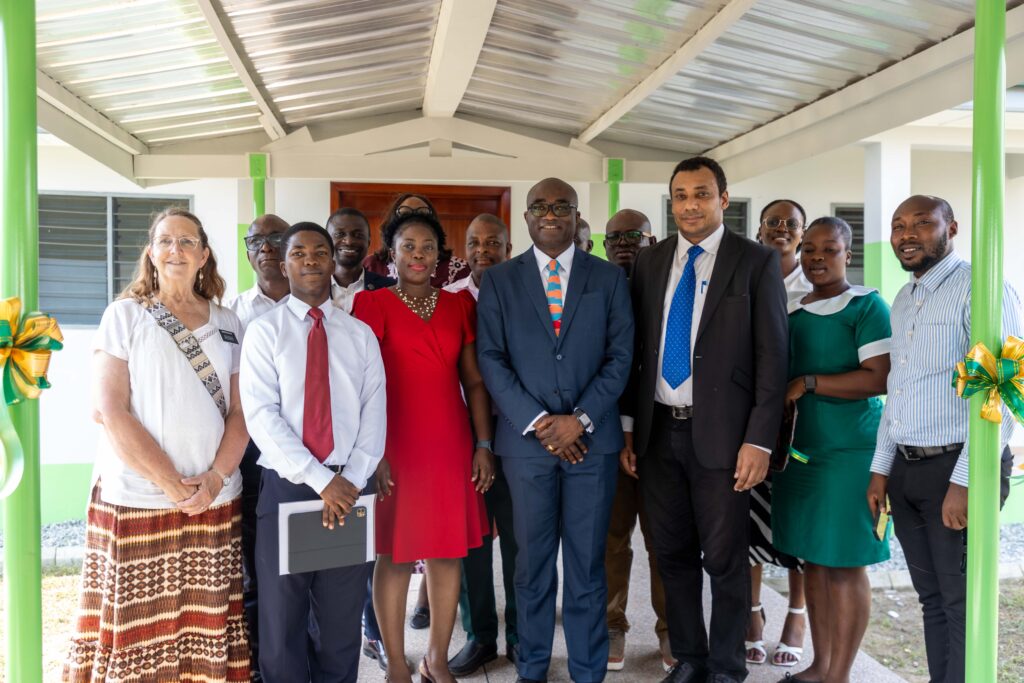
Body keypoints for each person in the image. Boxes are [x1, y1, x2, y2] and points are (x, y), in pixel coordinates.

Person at [620, 156, 788, 683]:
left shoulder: (755, 262)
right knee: (670, 553)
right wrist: (629, 428)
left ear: (723, 199)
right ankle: (690, 659)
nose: (690, 204)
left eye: (701, 193)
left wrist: (759, 441)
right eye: (680, 195)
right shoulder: (651, 262)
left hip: (725, 438)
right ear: (671, 203)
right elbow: (637, 352)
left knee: (724, 558)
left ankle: (726, 666)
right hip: (658, 432)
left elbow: (773, 358)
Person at [64, 208, 249, 682]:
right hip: (139, 498)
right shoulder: (124, 315)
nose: (176, 251)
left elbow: (242, 413)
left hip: (214, 500)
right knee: (137, 627)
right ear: (151, 252)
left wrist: (212, 480)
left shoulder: (230, 322)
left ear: (204, 254)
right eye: (165, 241)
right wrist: (172, 484)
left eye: (187, 242)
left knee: (204, 623)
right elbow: (110, 410)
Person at [477, 177, 634, 683]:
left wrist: (579, 420)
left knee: (588, 566)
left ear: (575, 215)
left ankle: (589, 672)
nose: (550, 213)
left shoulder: (608, 279)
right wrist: (542, 424)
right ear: (525, 217)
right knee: (532, 565)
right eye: (539, 206)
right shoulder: (500, 280)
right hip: (527, 447)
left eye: (561, 205)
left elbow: (620, 357)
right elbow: (492, 360)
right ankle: (533, 667)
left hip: (593, 442)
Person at [866, 195, 1021, 683]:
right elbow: (899, 389)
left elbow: (1006, 388)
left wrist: (966, 481)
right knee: (931, 600)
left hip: (956, 468)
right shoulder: (904, 298)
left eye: (922, 224)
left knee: (961, 603)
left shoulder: (981, 288)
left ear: (950, 228)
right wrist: (880, 467)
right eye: (898, 226)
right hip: (907, 471)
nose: (907, 234)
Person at [240, 222, 387, 683]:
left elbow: (374, 412)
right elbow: (262, 417)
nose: (309, 260)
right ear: (284, 264)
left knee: (340, 624)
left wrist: (350, 481)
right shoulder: (264, 333)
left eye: (319, 252)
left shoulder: (359, 335)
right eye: (298, 252)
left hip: (349, 490)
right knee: (281, 621)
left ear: (335, 260)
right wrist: (322, 481)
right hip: (288, 487)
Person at [353, 212, 495, 683]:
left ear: (440, 255)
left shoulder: (459, 307)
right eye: (408, 246)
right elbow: (359, 387)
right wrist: (371, 453)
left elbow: (473, 382)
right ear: (390, 254)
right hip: (392, 442)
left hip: (451, 442)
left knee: (446, 551)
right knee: (393, 553)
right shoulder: (371, 305)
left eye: (428, 247)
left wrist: (483, 444)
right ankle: (396, 661)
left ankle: (436, 659)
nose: (418, 254)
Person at [771, 217, 892, 683]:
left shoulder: (866, 305)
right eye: (810, 250)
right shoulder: (794, 311)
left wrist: (810, 382)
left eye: (829, 249)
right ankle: (819, 665)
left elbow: (878, 377)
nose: (817, 258)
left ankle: (839, 675)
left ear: (848, 253)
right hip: (802, 455)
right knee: (815, 559)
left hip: (850, 455)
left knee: (844, 564)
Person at [442, 214, 519, 675]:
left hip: (516, 433)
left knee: (518, 541)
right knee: (471, 542)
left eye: (494, 242)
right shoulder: (448, 301)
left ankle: (523, 637)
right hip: (461, 435)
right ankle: (480, 636)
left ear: (508, 248)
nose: (483, 250)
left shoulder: (521, 294)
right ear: (464, 250)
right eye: (475, 243)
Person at [602, 209, 675, 672]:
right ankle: (612, 624)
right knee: (611, 538)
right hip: (608, 437)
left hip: (664, 437)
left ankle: (671, 630)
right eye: (615, 236)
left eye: (635, 235)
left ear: (653, 241)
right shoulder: (595, 290)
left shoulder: (669, 290)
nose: (625, 243)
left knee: (663, 539)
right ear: (603, 245)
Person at [224, 212, 290, 680]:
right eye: (257, 240)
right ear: (247, 252)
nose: (266, 246)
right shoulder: (229, 314)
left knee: (303, 560)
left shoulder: (320, 307)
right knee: (253, 561)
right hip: (248, 454)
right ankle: (258, 663)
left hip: (307, 453)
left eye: (276, 239)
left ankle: (297, 653)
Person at [745, 199, 810, 670]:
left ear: (802, 234)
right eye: (773, 222)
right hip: (749, 419)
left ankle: (797, 613)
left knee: (796, 525)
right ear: (759, 230)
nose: (781, 229)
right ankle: (751, 613)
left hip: (803, 427)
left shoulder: (816, 285)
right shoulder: (746, 276)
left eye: (791, 224)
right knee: (747, 521)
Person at [363, 193, 471, 288]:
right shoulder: (370, 265)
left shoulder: (458, 269)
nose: (414, 218)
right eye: (405, 213)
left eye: (422, 214)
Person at [328, 207, 396, 313]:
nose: (349, 241)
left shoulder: (390, 289)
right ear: (327, 240)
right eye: (339, 234)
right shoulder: (312, 288)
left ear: (368, 241)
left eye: (358, 235)